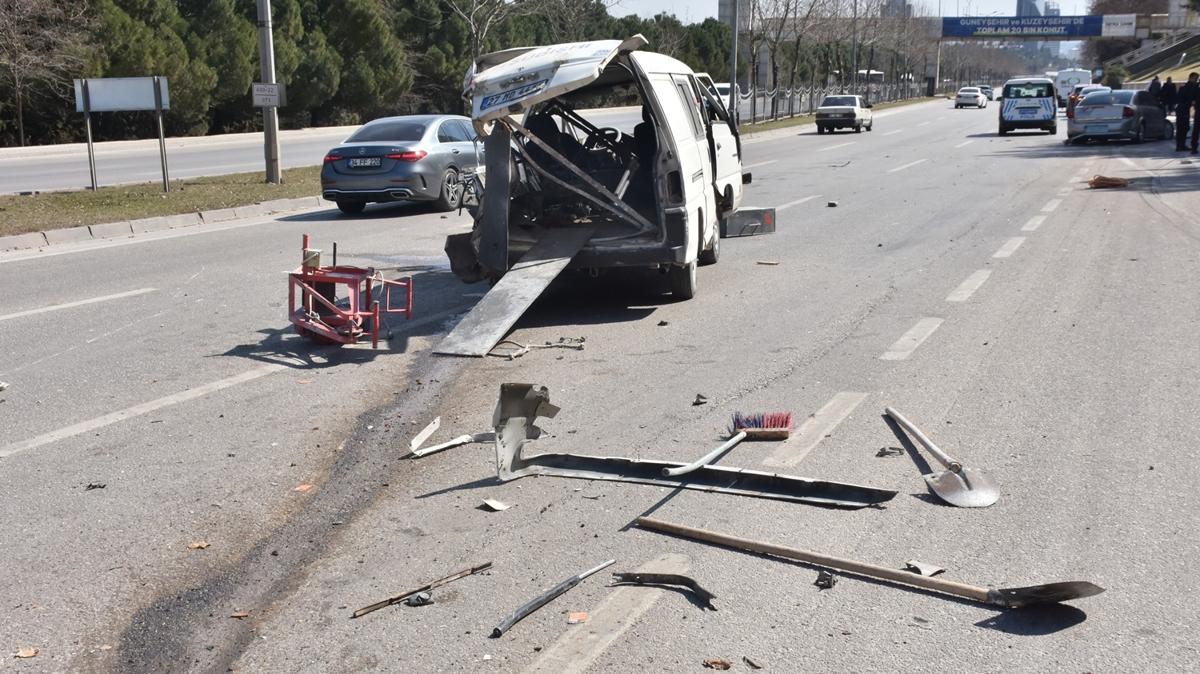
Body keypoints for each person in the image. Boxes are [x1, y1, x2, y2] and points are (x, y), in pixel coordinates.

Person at [1174, 72, 1198, 152]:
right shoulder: (1190, 87)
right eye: (1195, 78)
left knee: (1182, 128)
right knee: (1183, 127)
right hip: (1184, 109)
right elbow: (1192, 97)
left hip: (1181, 109)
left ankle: (1180, 145)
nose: (1196, 80)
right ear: (1191, 78)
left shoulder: (1184, 87)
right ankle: (1180, 145)